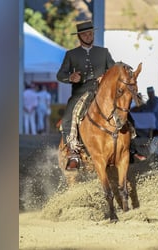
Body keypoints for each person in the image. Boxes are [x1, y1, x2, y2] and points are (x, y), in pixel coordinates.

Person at [57, 20, 115, 170]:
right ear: (79, 36)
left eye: (91, 33)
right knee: (69, 116)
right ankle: (73, 152)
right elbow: (60, 75)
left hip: (103, 90)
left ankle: (132, 146)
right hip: (81, 91)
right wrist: (70, 77)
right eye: (85, 34)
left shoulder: (104, 52)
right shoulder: (71, 54)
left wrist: (107, 76)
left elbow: (114, 70)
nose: (89, 36)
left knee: (122, 109)